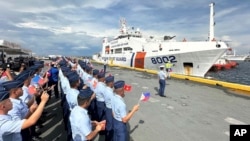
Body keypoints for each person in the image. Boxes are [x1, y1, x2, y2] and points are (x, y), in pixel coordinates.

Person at [104, 75, 115, 141]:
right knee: (110, 126)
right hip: (110, 109)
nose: (114, 83)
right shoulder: (110, 92)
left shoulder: (106, 89)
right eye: (113, 82)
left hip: (107, 107)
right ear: (111, 83)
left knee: (108, 124)